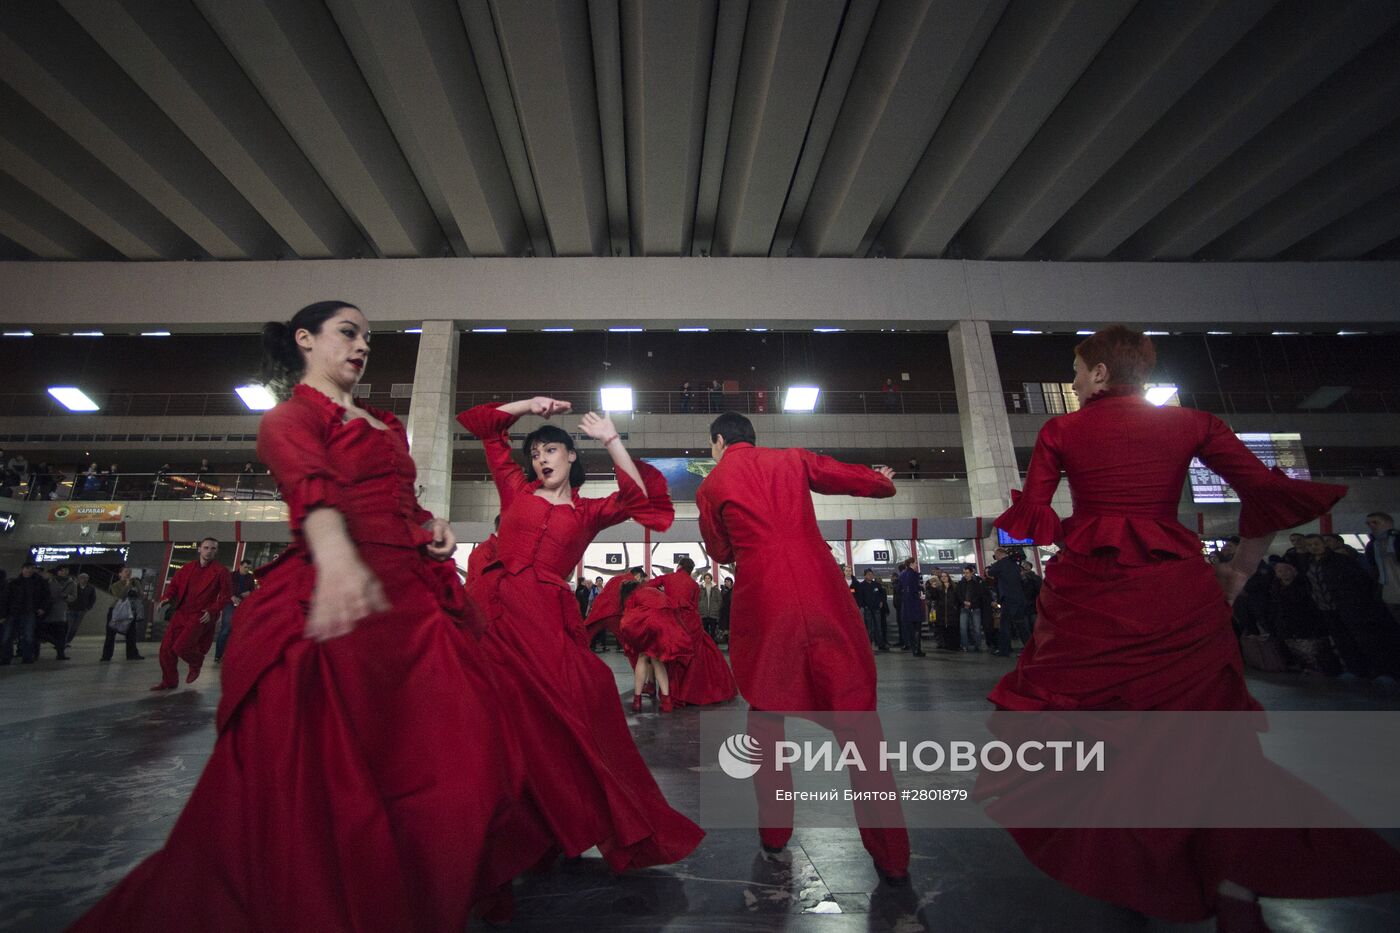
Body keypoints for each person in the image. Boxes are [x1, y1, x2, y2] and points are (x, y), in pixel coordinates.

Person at [75, 300, 547, 931]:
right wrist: (337, 562)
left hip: (414, 600)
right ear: (305, 340)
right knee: (336, 772)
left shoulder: (383, 423)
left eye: (368, 339)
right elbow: (312, 491)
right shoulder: (289, 418)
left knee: (466, 749)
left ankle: (414, 882)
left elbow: (402, 500)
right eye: (348, 334)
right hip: (338, 597)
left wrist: (430, 527)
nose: (361, 347)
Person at [986, 324, 1400, 928]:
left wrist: (1029, 510)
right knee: (1210, 742)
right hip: (1178, 593)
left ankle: (1131, 864)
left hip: (1090, 599)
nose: (1073, 383)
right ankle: (1234, 880)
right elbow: (1271, 494)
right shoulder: (1194, 424)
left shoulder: (1062, 431)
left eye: (1076, 371)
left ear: (1100, 373)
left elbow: (1032, 519)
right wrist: (1239, 572)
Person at [458, 395, 703, 878]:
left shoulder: (590, 512)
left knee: (568, 718)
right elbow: (485, 425)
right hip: (495, 613)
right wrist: (531, 405)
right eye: (536, 453)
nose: (541, 458)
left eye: (551, 450)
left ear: (571, 456)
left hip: (548, 619)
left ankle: (558, 822)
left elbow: (641, 500)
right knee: (497, 719)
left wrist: (612, 440)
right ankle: (503, 827)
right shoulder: (515, 490)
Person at [697, 411, 909, 883]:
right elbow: (843, 476)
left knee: (766, 718)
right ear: (753, 438)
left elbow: (720, 550)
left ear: (718, 442)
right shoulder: (791, 459)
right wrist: (880, 482)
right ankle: (892, 855)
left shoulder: (712, 486)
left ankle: (775, 832)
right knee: (859, 728)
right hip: (821, 590)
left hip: (765, 602)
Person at [644, 556, 736, 707]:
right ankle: (690, 693)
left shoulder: (668, 578)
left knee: (672, 657)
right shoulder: (694, 585)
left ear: (679, 566)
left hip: (673, 619)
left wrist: (661, 596)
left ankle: (669, 692)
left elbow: (649, 586)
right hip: (692, 623)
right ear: (691, 570)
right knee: (694, 657)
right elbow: (694, 606)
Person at [150, 539, 231, 689]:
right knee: (166, 650)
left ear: (216, 551)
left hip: (200, 615)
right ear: (199, 549)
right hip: (181, 613)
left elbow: (226, 596)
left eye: (213, 548)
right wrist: (166, 598)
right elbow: (173, 587)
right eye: (206, 548)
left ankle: (196, 661)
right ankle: (169, 681)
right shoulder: (186, 568)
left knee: (181, 647)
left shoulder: (221, 571)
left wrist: (212, 611)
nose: (209, 551)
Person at [0, 562, 50, 664]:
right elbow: (5, 599)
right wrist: (3, 614)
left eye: (31, 568)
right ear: (22, 569)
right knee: (8, 636)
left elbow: (46, 597)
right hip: (13, 612)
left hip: (28, 612)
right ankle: (6, 657)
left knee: (27, 636)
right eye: (27, 568)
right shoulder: (14, 583)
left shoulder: (38, 583)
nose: (29, 570)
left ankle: (26, 657)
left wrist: (42, 608)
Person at [985, 547, 1031, 657]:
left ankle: (1004, 650)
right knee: (1022, 625)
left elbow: (989, 573)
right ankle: (1030, 649)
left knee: (1004, 625)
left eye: (995, 555)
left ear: (998, 554)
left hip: (1009, 599)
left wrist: (991, 567)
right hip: (1019, 598)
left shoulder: (1000, 564)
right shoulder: (1015, 564)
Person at [1363, 511, 1400, 625]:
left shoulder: (1391, 541)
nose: (1371, 526)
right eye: (1368, 524)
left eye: (1375, 522)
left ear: (1388, 523)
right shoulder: (1373, 545)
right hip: (1388, 590)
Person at [215, 560, 256, 662]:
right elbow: (224, 589)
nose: (247, 570)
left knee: (238, 630)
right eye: (245, 567)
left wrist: (249, 593)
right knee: (226, 629)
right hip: (230, 603)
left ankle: (230, 655)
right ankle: (218, 655)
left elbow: (253, 590)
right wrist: (232, 596)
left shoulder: (250, 578)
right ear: (240, 566)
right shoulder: (231, 576)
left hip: (243, 604)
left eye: (249, 568)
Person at [102, 573, 146, 663]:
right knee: (111, 633)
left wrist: (138, 585)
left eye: (129, 573)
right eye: (126, 573)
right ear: (120, 574)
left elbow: (142, 596)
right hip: (116, 611)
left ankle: (132, 654)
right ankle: (106, 655)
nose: (128, 575)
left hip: (130, 613)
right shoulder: (115, 585)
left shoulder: (134, 585)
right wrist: (127, 586)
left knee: (131, 634)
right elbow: (120, 596)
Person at [895, 558, 925, 656]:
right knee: (917, 627)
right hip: (914, 603)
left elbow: (898, 589)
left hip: (906, 604)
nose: (916, 565)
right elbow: (914, 588)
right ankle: (917, 649)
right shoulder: (914, 575)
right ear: (911, 564)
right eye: (915, 563)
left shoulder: (902, 575)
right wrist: (921, 588)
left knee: (910, 628)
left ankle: (914, 649)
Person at [955, 564, 987, 652]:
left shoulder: (977, 583)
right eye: (964, 573)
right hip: (963, 607)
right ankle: (964, 645)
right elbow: (958, 595)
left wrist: (971, 603)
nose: (965, 574)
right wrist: (963, 602)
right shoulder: (961, 583)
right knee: (963, 627)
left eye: (967, 573)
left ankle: (978, 645)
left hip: (975, 607)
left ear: (971, 573)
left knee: (976, 627)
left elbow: (979, 595)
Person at [854, 568, 888, 651]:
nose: (870, 576)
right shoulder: (861, 585)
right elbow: (859, 597)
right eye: (868, 574)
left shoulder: (876, 585)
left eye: (871, 574)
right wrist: (862, 606)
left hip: (876, 609)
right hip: (867, 609)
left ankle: (881, 644)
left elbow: (883, 594)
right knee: (869, 628)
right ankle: (869, 645)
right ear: (865, 576)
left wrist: (881, 602)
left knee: (878, 626)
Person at [66, 572, 97, 647]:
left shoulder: (91, 588)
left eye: (86, 578)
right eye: (82, 578)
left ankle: (68, 641)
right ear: (79, 579)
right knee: (68, 626)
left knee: (75, 627)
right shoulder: (74, 586)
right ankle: (63, 641)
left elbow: (93, 599)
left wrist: (88, 608)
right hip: (72, 608)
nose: (84, 579)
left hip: (82, 610)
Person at [698, 571, 722, 641]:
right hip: (703, 613)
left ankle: (713, 645)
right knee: (704, 631)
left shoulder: (715, 589)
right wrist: (700, 607)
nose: (707, 579)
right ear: (704, 579)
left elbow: (719, 600)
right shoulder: (700, 589)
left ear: (711, 579)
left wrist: (717, 608)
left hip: (713, 613)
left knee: (713, 630)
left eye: (708, 578)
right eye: (706, 578)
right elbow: (697, 600)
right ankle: (706, 644)